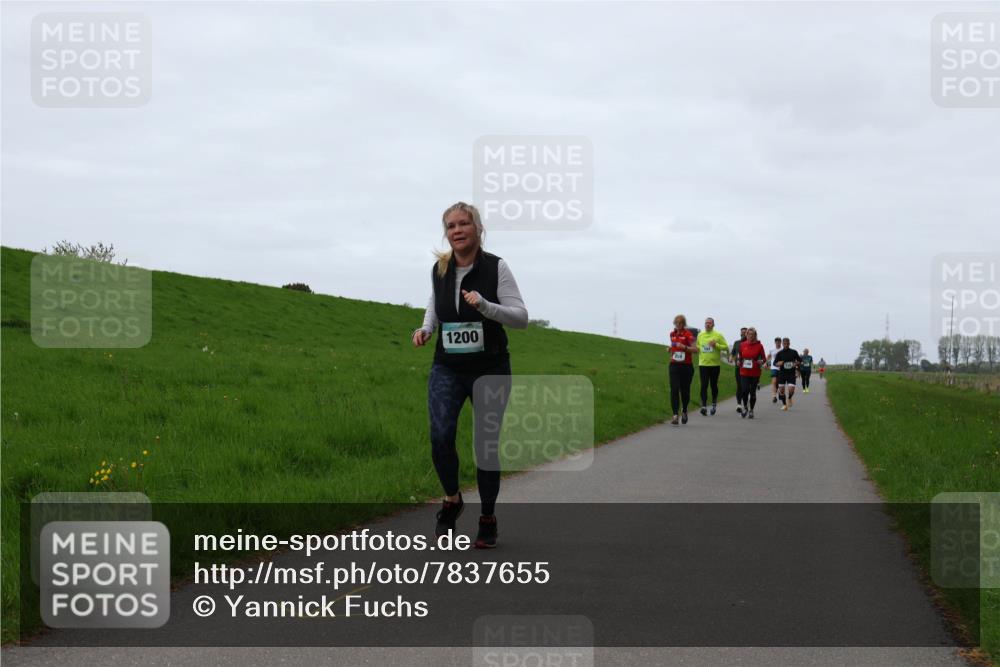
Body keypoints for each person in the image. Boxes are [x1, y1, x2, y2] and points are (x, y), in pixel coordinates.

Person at [412, 202, 528, 548]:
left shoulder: (497, 268)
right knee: (441, 437)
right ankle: (452, 499)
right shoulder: (440, 267)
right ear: (446, 232)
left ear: (478, 229)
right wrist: (426, 328)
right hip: (447, 366)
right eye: (451, 225)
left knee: (486, 447)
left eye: (464, 224)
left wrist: (485, 307)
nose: (457, 230)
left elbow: (521, 318)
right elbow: (435, 302)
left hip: (489, 368)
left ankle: (487, 516)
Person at [668, 314, 698, 425]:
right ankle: (675, 415)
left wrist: (684, 347)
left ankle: (684, 410)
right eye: (676, 323)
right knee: (674, 389)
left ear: (683, 324)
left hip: (686, 367)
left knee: (684, 391)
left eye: (680, 323)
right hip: (674, 365)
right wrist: (670, 350)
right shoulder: (672, 334)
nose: (678, 325)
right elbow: (674, 347)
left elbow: (695, 350)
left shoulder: (688, 335)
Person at [696, 317, 729, 416]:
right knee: (704, 385)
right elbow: (697, 346)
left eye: (710, 323)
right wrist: (697, 348)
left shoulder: (718, 335)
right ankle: (704, 406)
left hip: (715, 365)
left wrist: (716, 345)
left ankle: (714, 403)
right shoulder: (700, 335)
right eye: (706, 323)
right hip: (703, 364)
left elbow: (726, 347)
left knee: (713, 385)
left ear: (713, 325)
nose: (707, 324)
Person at [736, 327, 766, 419]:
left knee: (752, 392)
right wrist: (738, 361)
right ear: (746, 335)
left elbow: (764, 358)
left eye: (752, 334)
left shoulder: (759, 346)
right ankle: (745, 407)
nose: (750, 336)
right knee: (744, 390)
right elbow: (740, 357)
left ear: (755, 335)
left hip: (755, 372)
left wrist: (761, 361)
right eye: (749, 334)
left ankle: (751, 410)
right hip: (744, 371)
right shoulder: (742, 345)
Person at [773, 338, 802, 410]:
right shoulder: (779, 353)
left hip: (791, 373)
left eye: (787, 343)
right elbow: (774, 363)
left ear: (789, 343)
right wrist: (778, 363)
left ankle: (789, 398)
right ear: (782, 344)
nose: (785, 345)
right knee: (782, 390)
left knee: (791, 390)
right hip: (782, 373)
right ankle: (784, 405)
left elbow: (799, 361)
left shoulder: (794, 352)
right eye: (784, 343)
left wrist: (796, 365)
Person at [730, 327, 748, 414]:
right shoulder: (737, 343)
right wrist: (730, 357)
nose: (743, 334)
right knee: (739, 386)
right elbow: (733, 352)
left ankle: (745, 403)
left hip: (748, 369)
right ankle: (739, 404)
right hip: (738, 367)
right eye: (741, 332)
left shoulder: (750, 343)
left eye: (744, 332)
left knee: (746, 388)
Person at [768, 337, 782, 403]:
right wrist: (766, 363)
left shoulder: (782, 350)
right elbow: (768, 356)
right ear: (775, 342)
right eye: (777, 342)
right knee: (774, 381)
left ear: (781, 342)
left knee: (779, 383)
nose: (778, 343)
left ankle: (779, 392)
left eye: (779, 342)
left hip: (781, 368)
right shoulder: (772, 349)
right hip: (774, 367)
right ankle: (774, 396)